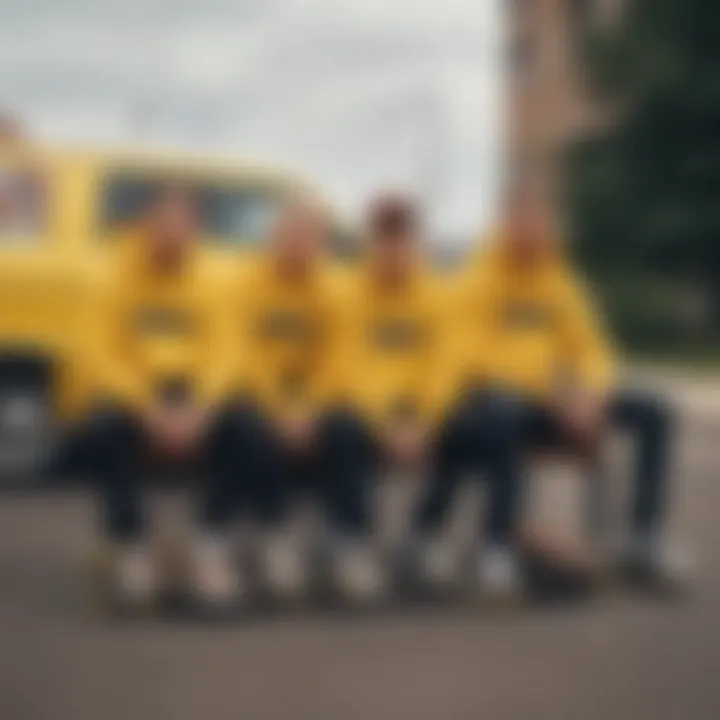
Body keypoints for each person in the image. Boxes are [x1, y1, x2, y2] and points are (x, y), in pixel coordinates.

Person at [452, 179, 682, 587]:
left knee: (654, 409)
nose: (533, 233)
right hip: (504, 404)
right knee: (502, 413)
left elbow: (591, 347)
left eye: (541, 224)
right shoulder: (477, 278)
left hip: (563, 401)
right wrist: (555, 394)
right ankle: (497, 549)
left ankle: (644, 537)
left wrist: (589, 394)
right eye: (523, 223)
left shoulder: (558, 279)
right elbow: (471, 358)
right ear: (505, 225)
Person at [320, 193, 527, 603]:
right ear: (370, 243)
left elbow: (446, 366)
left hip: (421, 409)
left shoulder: (438, 295)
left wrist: (423, 420)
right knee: (341, 427)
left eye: (403, 240)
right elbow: (343, 366)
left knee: (488, 423)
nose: (394, 251)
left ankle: (431, 536)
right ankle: (353, 547)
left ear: (417, 243)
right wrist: (387, 423)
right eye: (385, 240)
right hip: (369, 408)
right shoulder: (344, 294)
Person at [83, 185, 242, 611]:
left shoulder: (214, 278)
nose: (174, 233)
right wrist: (148, 409)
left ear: (196, 231)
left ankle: (211, 544)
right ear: (147, 224)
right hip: (138, 392)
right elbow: (100, 354)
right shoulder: (111, 273)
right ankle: (131, 544)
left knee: (248, 427)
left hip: (192, 392)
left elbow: (226, 352)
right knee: (104, 427)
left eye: (184, 224)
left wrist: (202, 408)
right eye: (165, 222)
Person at [209, 197, 342, 601]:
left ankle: (347, 543)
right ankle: (267, 537)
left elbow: (340, 361)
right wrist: (281, 412)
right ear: (274, 239)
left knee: (347, 429)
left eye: (310, 238)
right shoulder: (245, 285)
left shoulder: (333, 292)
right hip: (259, 398)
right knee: (247, 428)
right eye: (292, 236)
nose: (300, 246)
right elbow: (239, 355)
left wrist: (310, 410)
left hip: (308, 402)